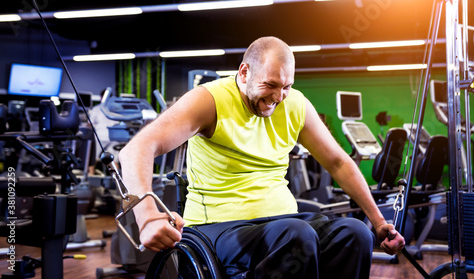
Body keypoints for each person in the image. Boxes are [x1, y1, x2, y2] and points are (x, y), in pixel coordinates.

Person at [118, 36, 405, 279]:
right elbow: (136, 149)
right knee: (295, 235)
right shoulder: (210, 100)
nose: (279, 97)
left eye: (286, 86)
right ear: (244, 73)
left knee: (354, 233)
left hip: (282, 223)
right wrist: (147, 218)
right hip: (217, 229)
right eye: (270, 85)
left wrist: (378, 222)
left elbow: (339, 162)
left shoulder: (295, 104)